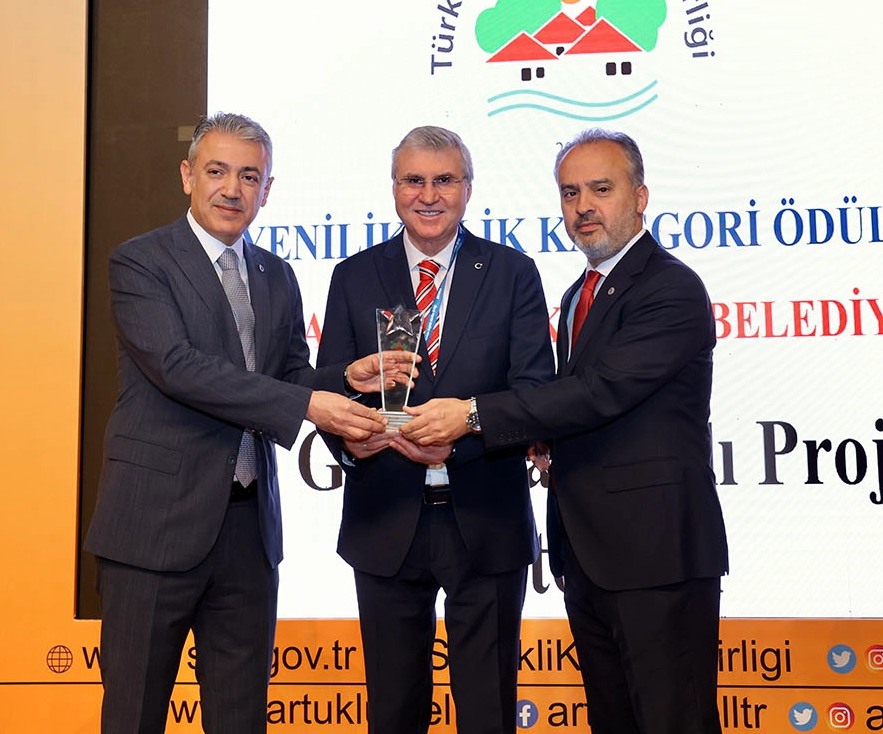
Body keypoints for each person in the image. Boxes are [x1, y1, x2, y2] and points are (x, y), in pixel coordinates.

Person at [84, 112, 406, 734]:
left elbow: (288, 374)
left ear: (267, 189)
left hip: (248, 532)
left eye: (249, 176)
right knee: (133, 715)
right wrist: (307, 405)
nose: (232, 189)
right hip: (152, 528)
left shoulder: (276, 273)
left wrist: (345, 377)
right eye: (217, 172)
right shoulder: (141, 262)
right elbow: (178, 368)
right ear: (187, 176)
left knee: (241, 718)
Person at [403, 129, 729, 734]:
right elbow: (572, 407)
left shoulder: (670, 288)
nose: (583, 207)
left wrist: (474, 414)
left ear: (640, 196)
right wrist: (541, 437)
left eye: (601, 189)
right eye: (570, 192)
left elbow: (601, 392)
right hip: (589, 555)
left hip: (658, 555)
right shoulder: (580, 293)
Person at [316, 125, 555, 733]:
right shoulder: (353, 276)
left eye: (444, 180)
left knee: (488, 713)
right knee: (393, 714)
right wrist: (351, 441)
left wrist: (466, 430)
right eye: (413, 180)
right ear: (394, 188)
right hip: (384, 519)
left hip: (486, 517)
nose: (428, 195)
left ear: (468, 188)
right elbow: (327, 388)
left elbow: (535, 393)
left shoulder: (512, 272)